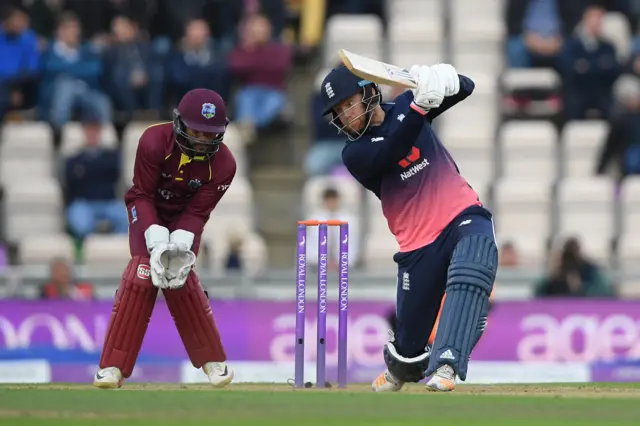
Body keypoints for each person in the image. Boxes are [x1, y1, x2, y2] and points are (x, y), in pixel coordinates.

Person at [320, 64, 498, 392]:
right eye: (338, 112)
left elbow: (467, 86)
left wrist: (437, 78)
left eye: (348, 104)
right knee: (408, 355)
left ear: (367, 93)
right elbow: (393, 148)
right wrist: (420, 104)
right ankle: (400, 369)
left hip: (462, 214)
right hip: (418, 245)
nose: (344, 116)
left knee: (474, 260)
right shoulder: (354, 154)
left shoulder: (406, 105)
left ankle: (447, 364)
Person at [93, 88, 237, 390]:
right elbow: (142, 193)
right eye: (196, 131)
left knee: (180, 279)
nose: (201, 140)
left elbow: (198, 212)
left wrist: (180, 242)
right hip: (146, 212)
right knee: (143, 274)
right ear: (179, 123)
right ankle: (112, 368)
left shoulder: (225, 165)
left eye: (209, 134)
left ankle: (213, 362)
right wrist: (156, 237)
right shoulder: (153, 140)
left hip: (186, 219)